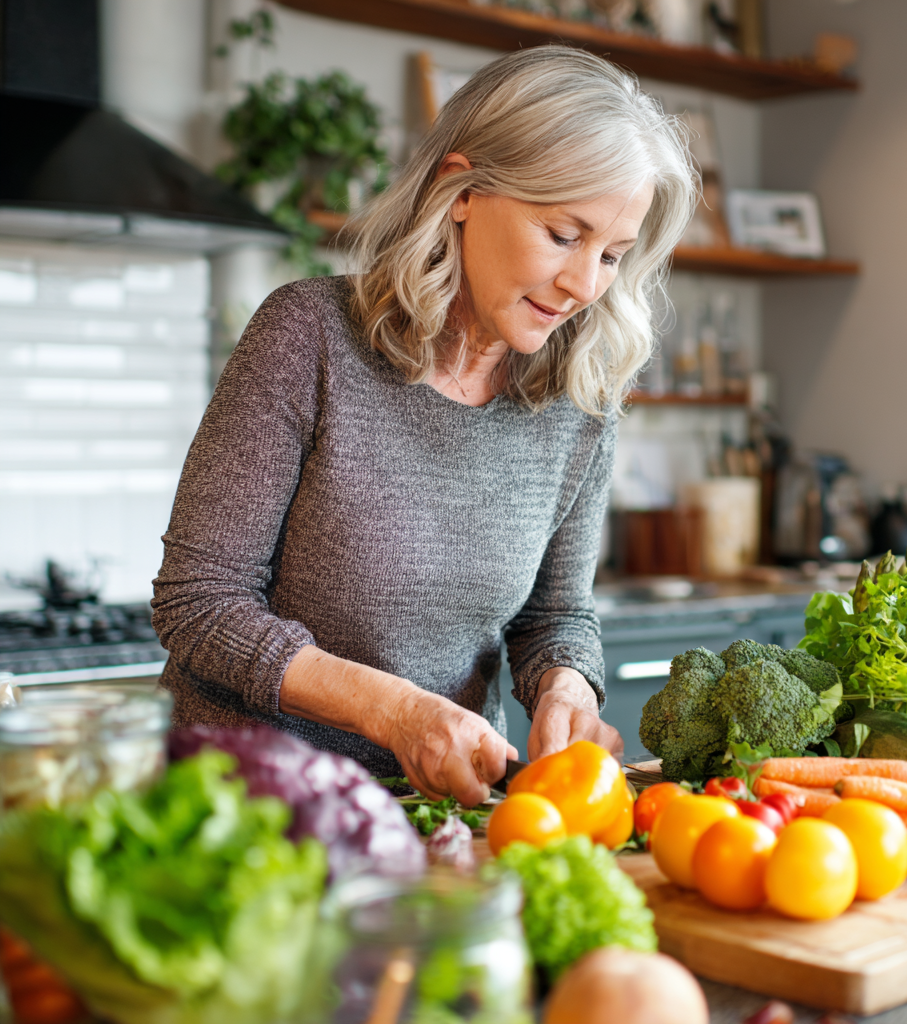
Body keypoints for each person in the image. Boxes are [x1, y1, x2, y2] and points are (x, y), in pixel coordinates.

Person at [151, 46, 696, 807]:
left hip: (445, 817)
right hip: (241, 813)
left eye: (613, 254)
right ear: (461, 189)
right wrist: (394, 713)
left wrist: (567, 685)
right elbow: (199, 604)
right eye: (564, 235)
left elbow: (555, 614)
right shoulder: (309, 335)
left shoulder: (581, 397)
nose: (585, 285)